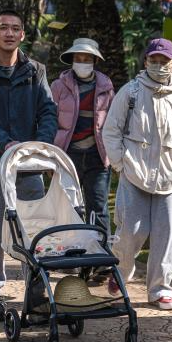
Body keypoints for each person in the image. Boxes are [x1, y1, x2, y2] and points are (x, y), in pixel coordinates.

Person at [0, 9, 58, 321]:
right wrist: (5, 144)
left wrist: (38, 146)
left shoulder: (36, 71)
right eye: (3, 27)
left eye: (15, 28)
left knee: (33, 230)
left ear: (22, 35)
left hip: (28, 168)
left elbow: (48, 110)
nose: (9, 33)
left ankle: (36, 290)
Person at [103, 38, 172, 310]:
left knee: (168, 235)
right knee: (130, 232)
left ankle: (160, 290)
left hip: (169, 177)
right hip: (134, 174)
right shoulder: (130, 92)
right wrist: (120, 164)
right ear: (145, 61)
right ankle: (120, 273)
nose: (159, 66)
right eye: (153, 60)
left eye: (164, 61)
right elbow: (111, 130)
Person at [50, 37, 115, 283]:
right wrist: (51, 155)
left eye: (88, 58)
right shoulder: (59, 86)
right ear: (72, 60)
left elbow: (113, 122)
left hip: (98, 156)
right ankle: (70, 256)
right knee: (68, 207)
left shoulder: (106, 86)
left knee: (98, 207)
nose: (83, 62)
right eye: (79, 58)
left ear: (95, 61)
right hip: (68, 155)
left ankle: (100, 260)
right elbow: (49, 118)